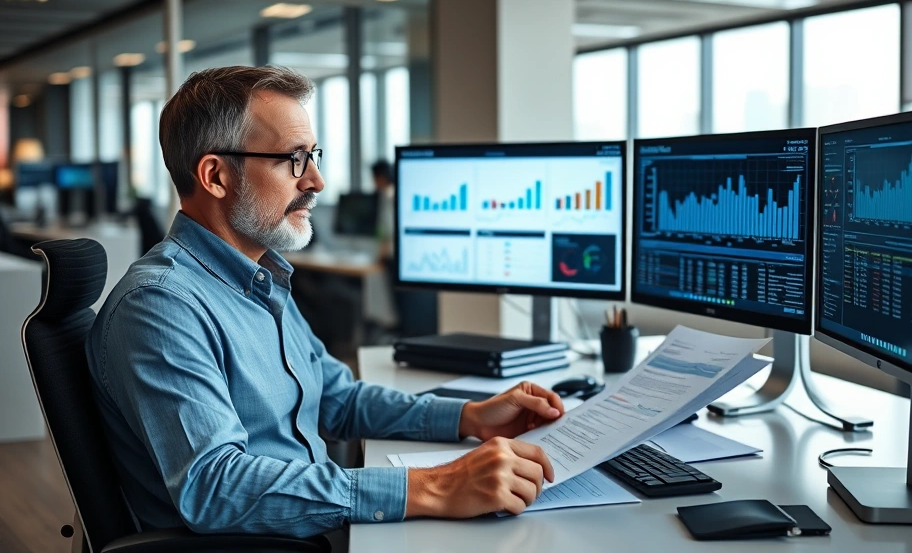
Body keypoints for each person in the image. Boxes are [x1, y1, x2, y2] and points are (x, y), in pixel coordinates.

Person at [85, 66, 564, 542]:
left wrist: (467, 416)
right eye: (294, 159)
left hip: (319, 528)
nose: (316, 180)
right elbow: (215, 487)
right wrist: (436, 486)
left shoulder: (260, 277)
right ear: (215, 176)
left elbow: (336, 397)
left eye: (313, 155)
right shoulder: (161, 307)